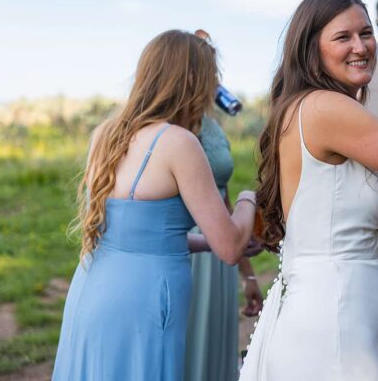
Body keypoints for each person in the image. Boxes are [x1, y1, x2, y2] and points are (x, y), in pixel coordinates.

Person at [240, 0, 378, 381]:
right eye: (343, 37)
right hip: (331, 323)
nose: (360, 46)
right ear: (312, 50)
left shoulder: (305, 107)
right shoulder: (328, 108)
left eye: (366, 33)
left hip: (322, 315)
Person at [52, 30, 257, 381]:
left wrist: (205, 240)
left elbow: (143, 236)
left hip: (92, 289)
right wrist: (249, 198)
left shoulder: (105, 133)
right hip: (144, 301)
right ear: (192, 80)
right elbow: (230, 246)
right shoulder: (180, 143)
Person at [185, 113, 263, 381]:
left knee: (216, 344)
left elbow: (224, 201)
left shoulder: (213, 122)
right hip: (189, 245)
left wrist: (248, 274)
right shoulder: (172, 122)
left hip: (219, 246)